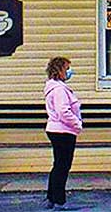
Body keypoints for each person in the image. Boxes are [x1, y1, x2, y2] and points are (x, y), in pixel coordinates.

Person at [44, 57, 82, 210]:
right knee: (63, 166)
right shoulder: (59, 90)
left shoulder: (54, 87)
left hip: (56, 130)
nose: (69, 71)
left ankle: (52, 197)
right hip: (63, 131)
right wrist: (77, 124)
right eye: (67, 68)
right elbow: (63, 112)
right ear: (59, 70)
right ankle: (59, 201)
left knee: (58, 165)